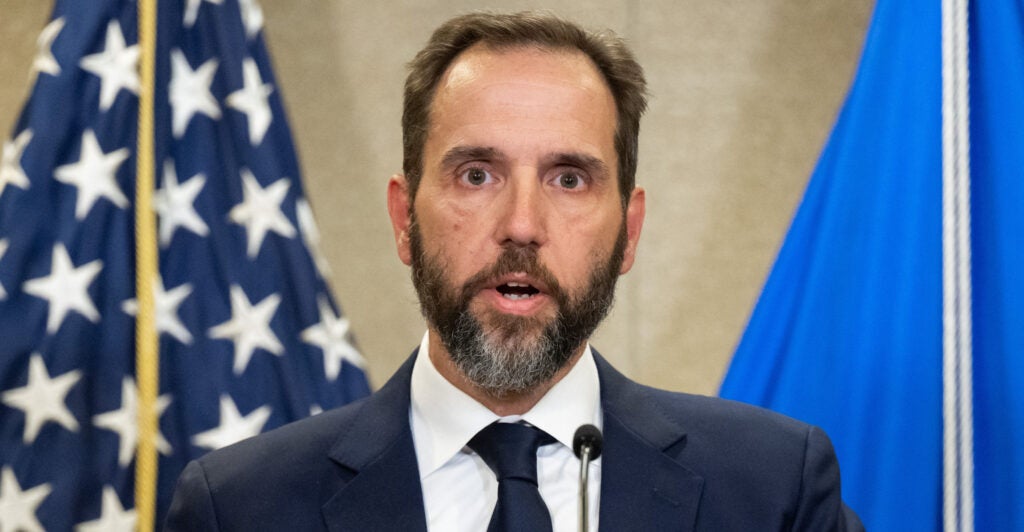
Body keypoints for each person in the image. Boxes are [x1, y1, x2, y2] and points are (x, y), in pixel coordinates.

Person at [165, 11, 863, 531]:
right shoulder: (240, 508)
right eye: (476, 174)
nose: (522, 225)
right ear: (404, 219)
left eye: (569, 179)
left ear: (629, 232)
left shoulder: (773, 491)